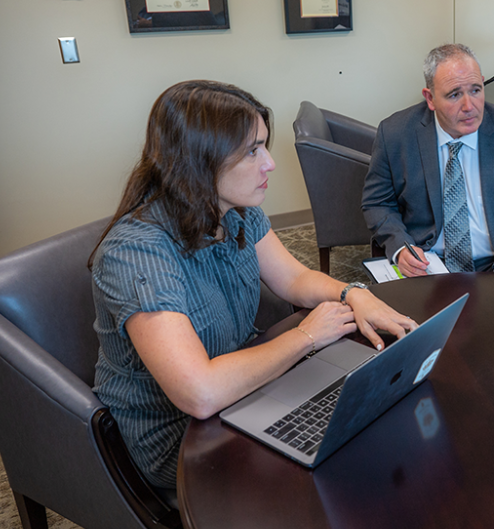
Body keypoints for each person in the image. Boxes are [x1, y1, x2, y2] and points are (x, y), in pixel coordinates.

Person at [90, 80, 417, 490]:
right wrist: (306, 336)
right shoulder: (137, 252)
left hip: (247, 388)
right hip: (180, 436)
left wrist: (354, 294)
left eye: (264, 145)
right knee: (343, 468)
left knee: (365, 419)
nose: (270, 163)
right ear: (198, 162)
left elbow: (294, 279)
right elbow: (200, 393)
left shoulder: (234, 211)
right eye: (252, 150)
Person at [362, 43, 494, 276]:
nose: (469, 106)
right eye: (454, 95)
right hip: (429, 265)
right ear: (430, 98)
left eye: (475, 90)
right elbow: (378, 203)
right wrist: (401, 248)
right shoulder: (395, 134)